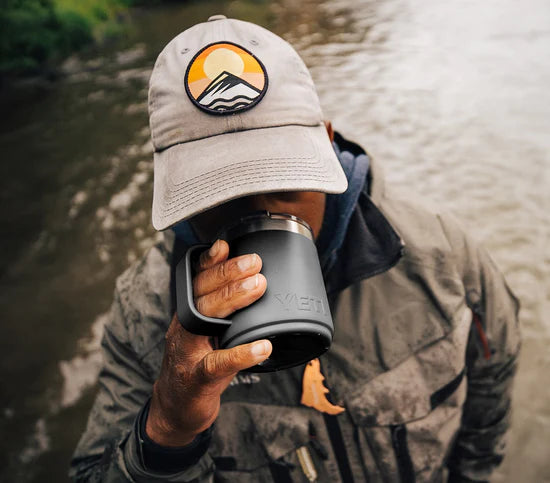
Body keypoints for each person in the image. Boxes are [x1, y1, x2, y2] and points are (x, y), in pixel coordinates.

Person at [70, 15, 520, 483]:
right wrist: (167, 429)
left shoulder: (439, 253)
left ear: (327, 142)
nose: (258, 215)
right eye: (218, 197)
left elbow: (494, 376)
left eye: (283, 181)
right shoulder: (145, 314)